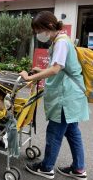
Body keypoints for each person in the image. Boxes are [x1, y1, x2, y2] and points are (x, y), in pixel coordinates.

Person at [19, 11, 89, 180]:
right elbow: (61, 68)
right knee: (72, 132)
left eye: (38, 30)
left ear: (49, 27)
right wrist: (41, 71)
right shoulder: (61, 40)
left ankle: (46, 167)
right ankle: (79, 169)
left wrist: (30, 77)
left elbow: (56, 69)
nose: (38, 34)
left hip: (65, 97)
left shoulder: (61, 43)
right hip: (72, 95)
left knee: (54, 133)